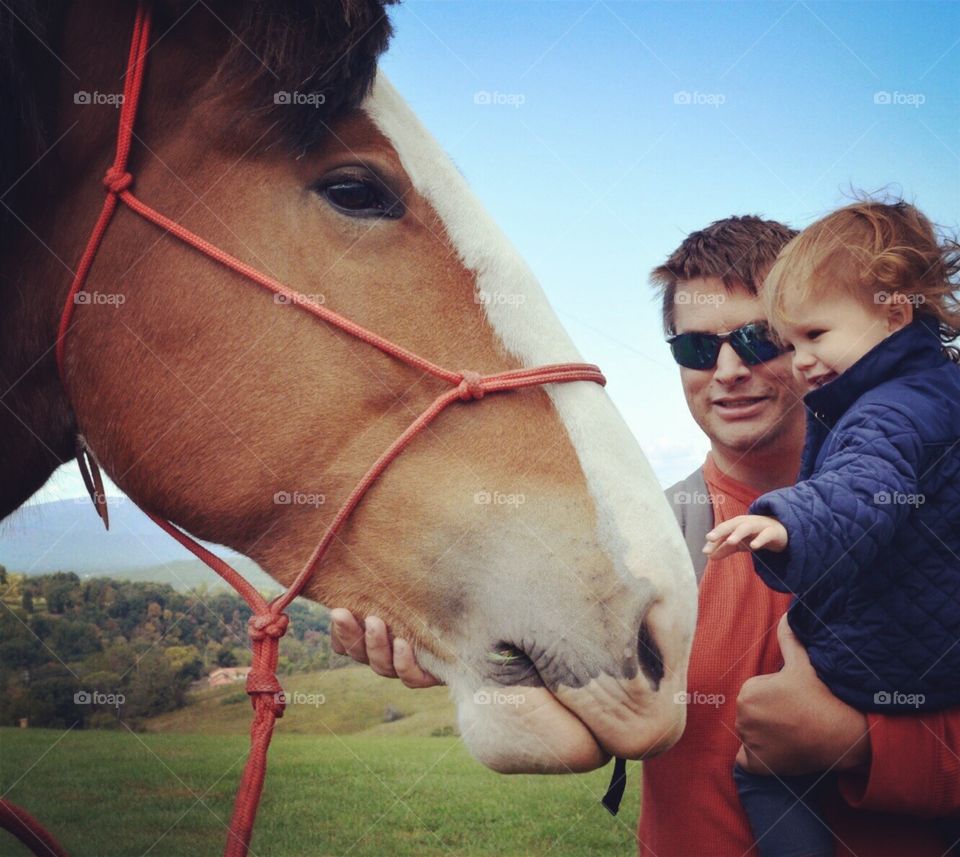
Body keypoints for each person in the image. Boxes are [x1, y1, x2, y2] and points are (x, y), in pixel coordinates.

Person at [330, 214, 960, 856]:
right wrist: (454, 653)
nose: (729, 368)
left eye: (761, 337)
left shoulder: (935, 509)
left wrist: (859, 745)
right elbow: (556, 700)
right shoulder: (629, 542)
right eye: (695, 348)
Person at [703, 201, 960, 857]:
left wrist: (788, 519)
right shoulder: (923, 394)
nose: (800, 361)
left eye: (807, 336)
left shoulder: (890, 411)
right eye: (695, 346)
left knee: (763, 776)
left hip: (882, 660)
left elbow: (862, 485)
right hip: (916, 652)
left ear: (895, 310)